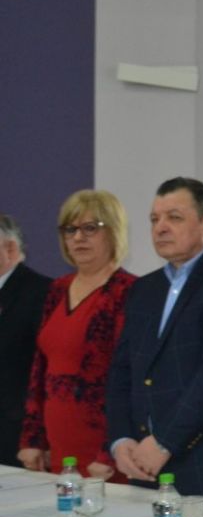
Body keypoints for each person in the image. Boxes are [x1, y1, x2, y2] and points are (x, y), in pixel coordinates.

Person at [106, 177, 203, 503]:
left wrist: (164, 441)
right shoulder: (144, 289)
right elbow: (122, 371)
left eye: (174, 217)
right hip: (142, 462)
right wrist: (121, 440)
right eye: (154, 219)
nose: (160, 228)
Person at [17, 192, 137, 478]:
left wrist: (109, 450)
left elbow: (129, 379)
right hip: (57, 444)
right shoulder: (57, 289)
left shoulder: (128, 291)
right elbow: (40, 368)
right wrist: (33, 438)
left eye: (90, 228)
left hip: (104, 451)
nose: (78, 238)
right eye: (70, 229)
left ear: (114, 231)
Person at [0, 215, 52, 468]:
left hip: (17, 437)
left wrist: (36, 438)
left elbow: (43, 369)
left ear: (9, 249)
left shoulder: (42, 292)